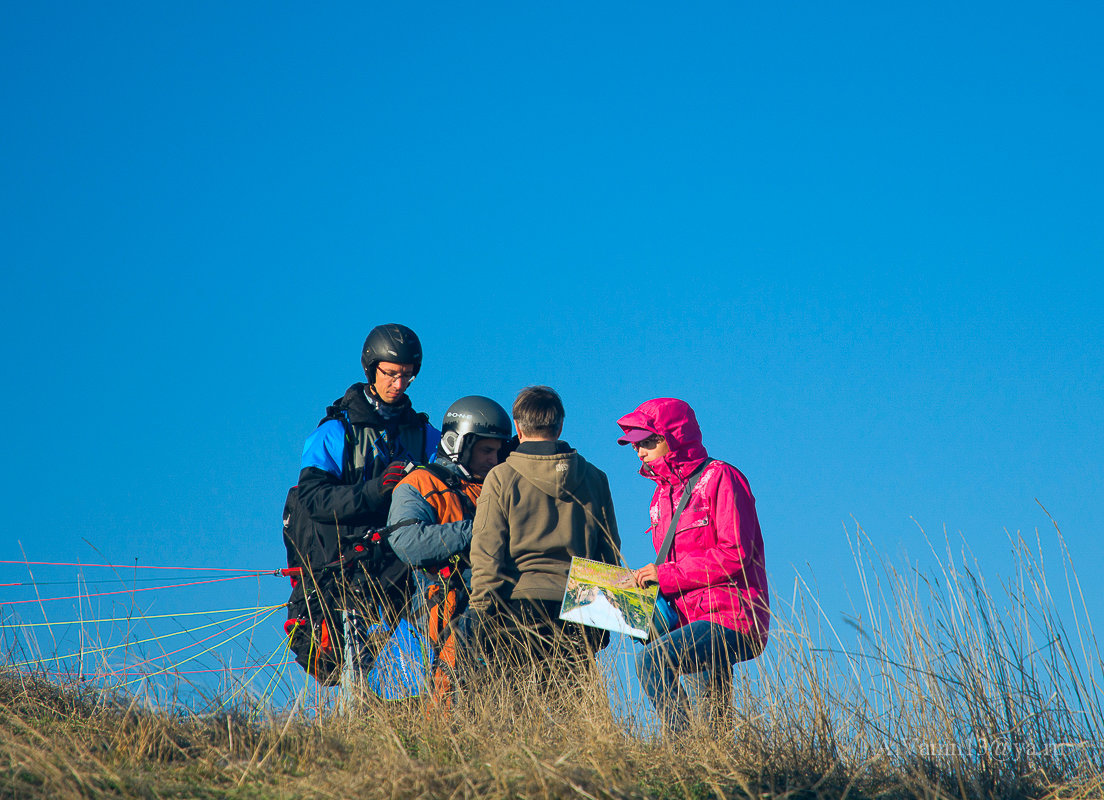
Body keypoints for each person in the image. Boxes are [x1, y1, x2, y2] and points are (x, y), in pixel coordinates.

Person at [297, 323, 441, 686]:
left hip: (409, 564)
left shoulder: (425, 435)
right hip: (351, 567)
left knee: (446, 633)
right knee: (357, 671)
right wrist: (376, 491)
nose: (399, 384)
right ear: (371, 368)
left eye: (407, 376)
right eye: (391, 374)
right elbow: (312, 499)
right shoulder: (335, 432)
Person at [616, 397, 769, 733]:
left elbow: (736, 554)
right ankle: (703, 767)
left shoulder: (721, 478)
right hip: (686, 621)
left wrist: (663, 575)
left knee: (652, 661)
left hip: (731, 616)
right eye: (635, 445)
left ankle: (682, 751)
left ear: (675, 435)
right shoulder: (659, 497)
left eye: (647, 441)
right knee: (713, 727)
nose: (639, 451)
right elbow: (674, 566)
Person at [469, 385, 621, 681]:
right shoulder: (595, 477)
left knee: (517, 715)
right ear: (560, 425)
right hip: (581, 608)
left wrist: (480, 613)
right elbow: (610, 550)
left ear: (518, 427)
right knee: (576, 715)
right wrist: (604, 617)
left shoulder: (501, 477)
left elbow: (487, 552)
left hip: (518, 606)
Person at [386, 395, 512, 704]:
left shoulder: (500, 487)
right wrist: (478, 532)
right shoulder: (419, 483)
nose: (493, 460)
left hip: (501, 616)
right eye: (486, 450)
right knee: (449, 699)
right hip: (443, 616)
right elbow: (407, 542)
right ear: (458, 443)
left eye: (498, 451)